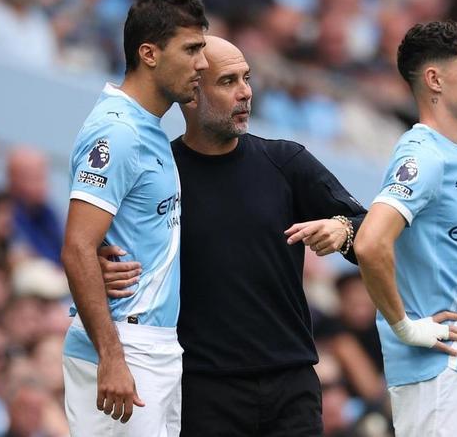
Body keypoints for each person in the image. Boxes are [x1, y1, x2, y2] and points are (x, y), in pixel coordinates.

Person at [100, 35, 366, 436]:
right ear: (192, 93)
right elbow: (99, 247)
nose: (245, 93)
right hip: (201, 390)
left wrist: (343, 228)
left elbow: (371, 235)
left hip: (291, 385)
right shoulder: (158, 172)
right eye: (228, 82)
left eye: (247, 78)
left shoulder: (287, 162)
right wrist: (104, 262)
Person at [59, 0, 208, 435]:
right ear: (149, 54)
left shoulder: (149, 128)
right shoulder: (118, 132)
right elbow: (77, 246)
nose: (202, 63)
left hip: (155, 345)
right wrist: (112, 357)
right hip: (124, 343)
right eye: (191, 49)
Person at [353, 21, 457, 436]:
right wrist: (405, 325)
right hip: (437, 370)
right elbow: (370, 242)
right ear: (435, 79)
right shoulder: (423, 156)